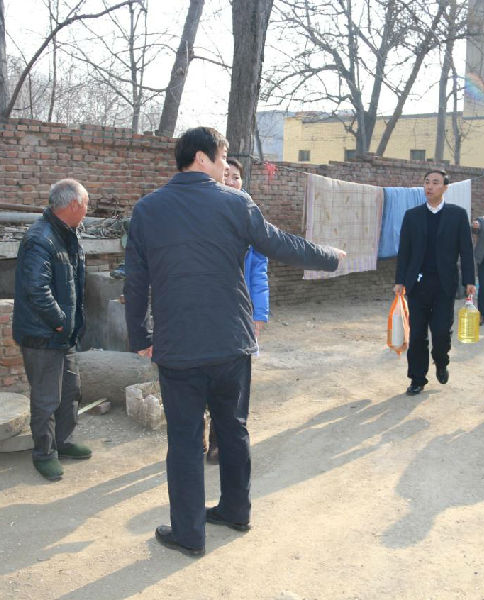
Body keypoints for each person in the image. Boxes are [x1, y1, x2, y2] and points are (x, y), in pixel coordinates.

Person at [124, 126, 345, 557]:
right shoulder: (235, 203)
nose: (227, 167)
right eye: (223, 158)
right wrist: (328, 257)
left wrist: (140, 336)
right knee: (233, 429)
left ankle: (190, 534)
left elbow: (135, 281)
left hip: (179, 348)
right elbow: (280, 244)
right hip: (230, 344)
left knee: (185, 441)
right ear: (202, 158)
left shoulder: (148, 210)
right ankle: (236, 510)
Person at [12, 179, 92, 482]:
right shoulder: (40, 238)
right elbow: (36, 289)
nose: (87, 210)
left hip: (62, 333)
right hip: (43, 334)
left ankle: (63, 441)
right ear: (73, 205)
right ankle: (44, 454)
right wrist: (60, 321)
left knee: (71, 391)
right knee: (47, 398)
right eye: (86, 204)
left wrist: (68, 326)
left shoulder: (66, 233)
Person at [205, 157, 269, 465]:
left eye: (236, 177)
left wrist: (259, 313)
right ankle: (202, 434)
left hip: (240, 313)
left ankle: (221, 442)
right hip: (207, 310)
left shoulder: (250, 216)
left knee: (234, 382)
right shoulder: (203, 213)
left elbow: (259, 272)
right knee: (205, 376)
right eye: (226, 175)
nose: (231, 181)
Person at [394, 169, 476, 395]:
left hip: (444, 285)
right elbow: (404, 251)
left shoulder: (457, 215)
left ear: (445, 187)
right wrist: (400, 280)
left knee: (440, 332)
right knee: (417, 334)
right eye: (427, 182)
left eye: (435, 182)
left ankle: (441, 361)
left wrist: (469, 280)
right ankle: (417, 378)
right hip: (417, 285)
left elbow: (466, 250)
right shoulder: (412, 215)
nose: (429, 186)